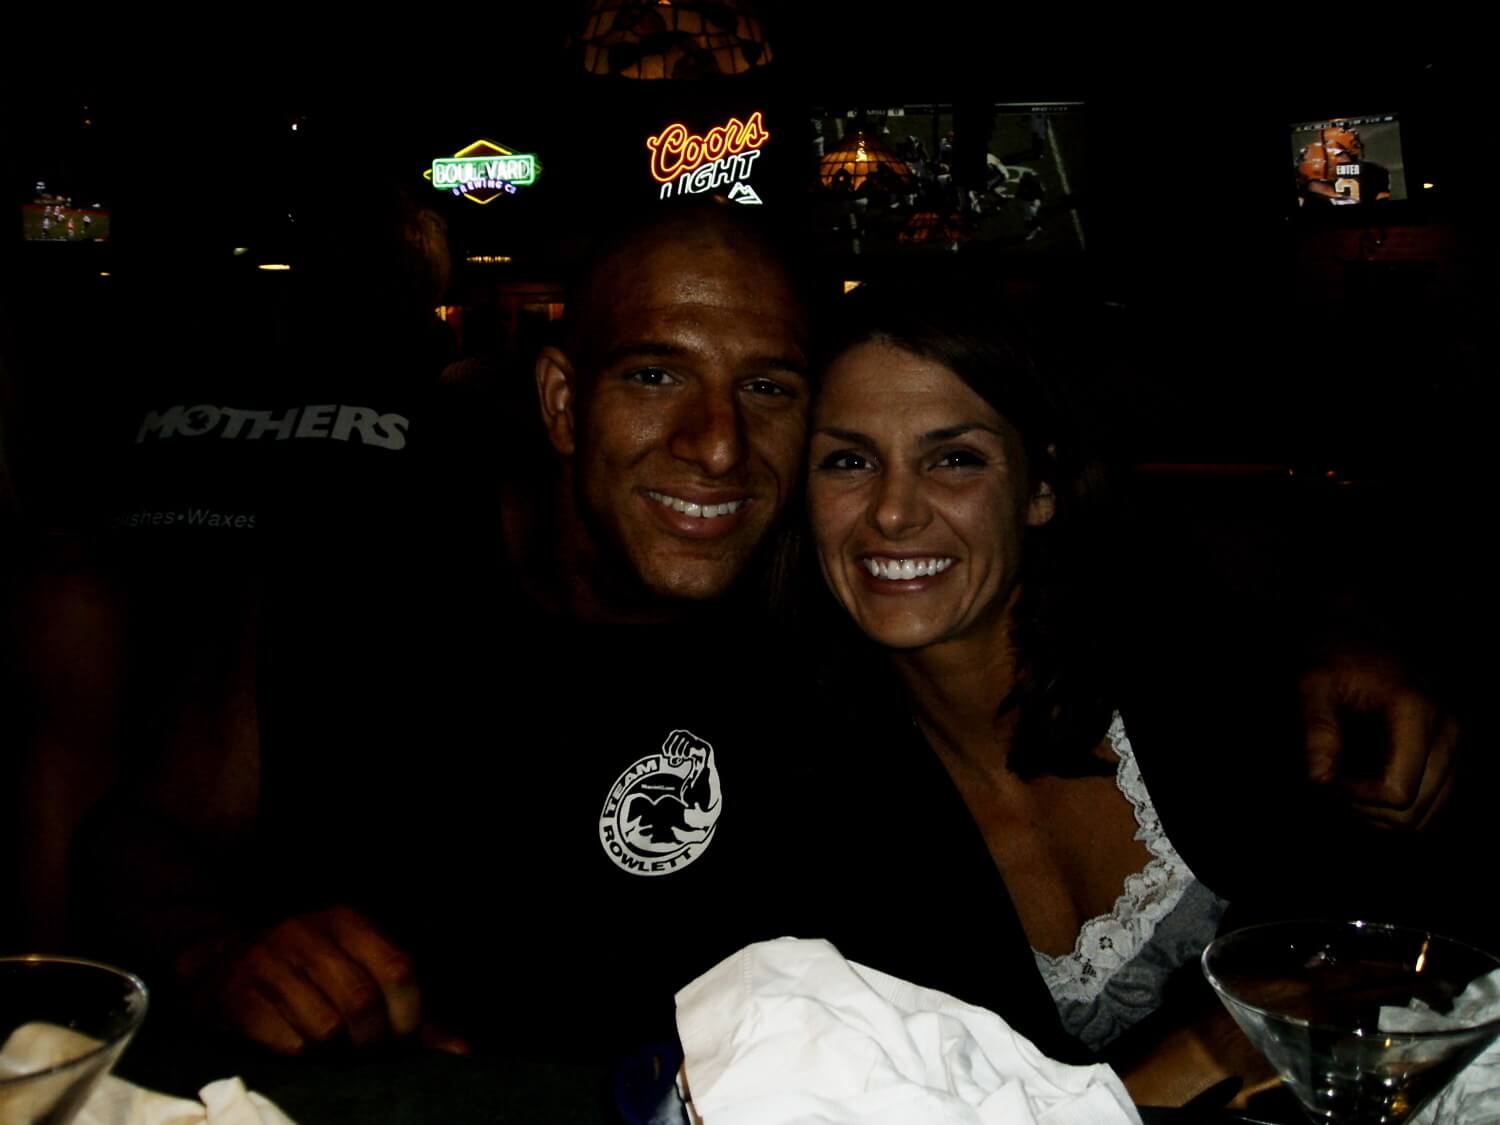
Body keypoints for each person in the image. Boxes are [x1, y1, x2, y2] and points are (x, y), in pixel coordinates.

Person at [62, 204, 1464, 1070]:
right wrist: (216, 954)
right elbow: (135, 836)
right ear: (561, 402)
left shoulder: (815, 608)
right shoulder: (361, 568)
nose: (717, 445)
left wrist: (1343, 626)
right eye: (654, 375)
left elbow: (1117, 545)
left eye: (772, 389)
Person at [798, 281, 1482, 1106]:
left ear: (1040, 487)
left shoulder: (1206, 672)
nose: (893, 512)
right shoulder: (816, 804)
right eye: (849, 460)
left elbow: (1417, 945)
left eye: (955, 458)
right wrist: (1188, 1056)